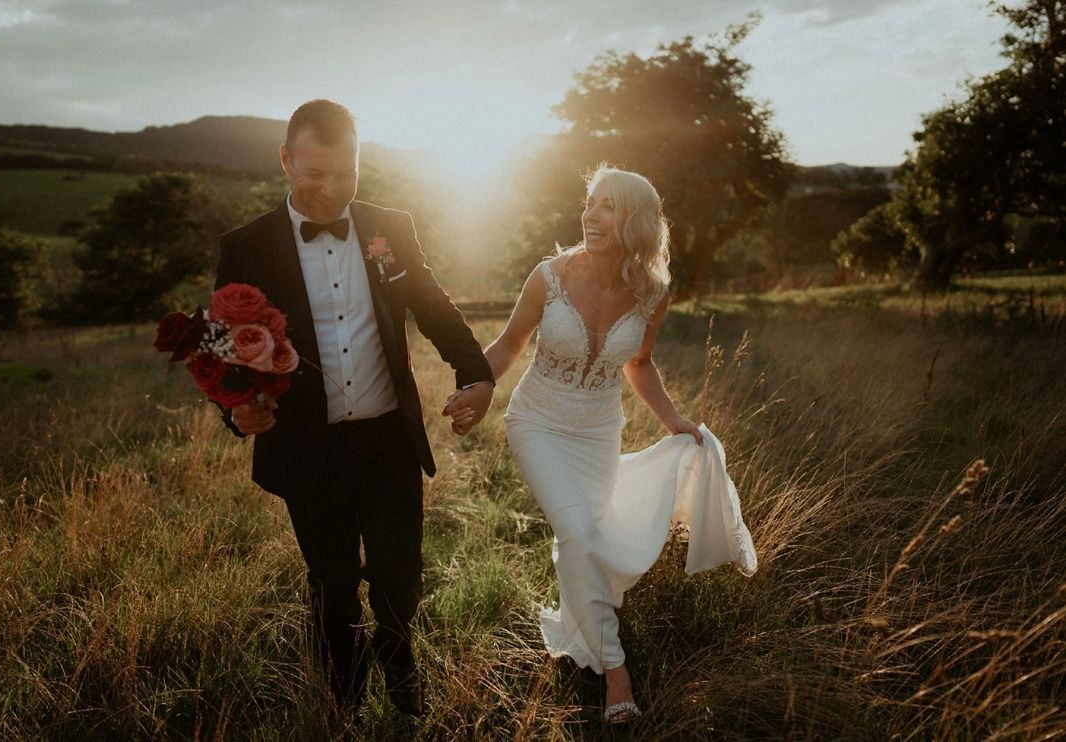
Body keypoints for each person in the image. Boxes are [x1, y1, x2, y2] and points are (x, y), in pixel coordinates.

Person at [445, 165, 756, 723]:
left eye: (607, 206)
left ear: (635, 220)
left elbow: (639, 365)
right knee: (580, 532)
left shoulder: (652, 294)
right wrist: (480, 389)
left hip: (597, 434)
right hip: (537, 422)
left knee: (583, 542)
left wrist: (675, 423)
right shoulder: (549, 275)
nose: (591, 215)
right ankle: (617, 671)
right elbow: (509, 343)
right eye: (590, 203)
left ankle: (580, 621)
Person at [215, 99, 495, 717]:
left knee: (399, 574)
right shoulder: (246, 247)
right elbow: (229, 348)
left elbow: (432, 303)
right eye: (314, 174)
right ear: (286, 161)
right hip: (307, 447)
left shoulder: (388, 227)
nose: (330, 190)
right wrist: (239, 408)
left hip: (386, 438)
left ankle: (400, 668)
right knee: (333, 584)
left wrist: (476, 372)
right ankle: (340, 695)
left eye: (345, 174)